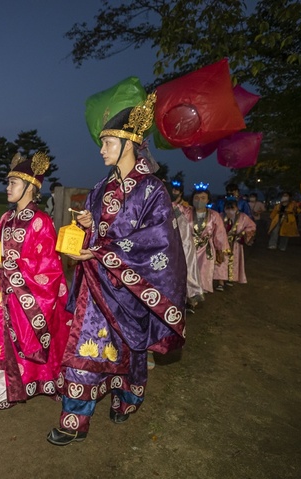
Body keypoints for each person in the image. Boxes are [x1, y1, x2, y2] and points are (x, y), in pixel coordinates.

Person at [46, 93, 186, 446]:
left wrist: (102, 250)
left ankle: (127, 398)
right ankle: (73, 418)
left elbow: (158, 242)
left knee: (129, 348)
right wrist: (88, 224)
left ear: (130, 144)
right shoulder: (100, 188)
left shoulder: (153, 190)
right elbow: (97, 232)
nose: (101, 150)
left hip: (131, 286)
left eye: (107, 142)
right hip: (95, 284)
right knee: (86, 346)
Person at [0, 152, 71, 413]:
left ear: (30, 187)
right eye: (8, 183)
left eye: (13, 184)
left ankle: (11, 385)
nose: (7, 188)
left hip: (22, 296)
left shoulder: (42, 222)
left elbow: (47, 268)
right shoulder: (5, 219)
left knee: (19, 340)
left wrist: (7, 264)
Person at [170, 179, 203, 311]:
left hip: (185, 244)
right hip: (170, 246)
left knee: (186, 271)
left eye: (176, 190)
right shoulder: (165, 206)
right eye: (172, 190)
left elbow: (185, 229)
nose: (174, 192)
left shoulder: (185, 209)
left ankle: (189, 299)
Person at [191, 184, 229, 293]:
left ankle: (200, 291)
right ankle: (189, 291)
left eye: (203, 198)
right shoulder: (186, 212)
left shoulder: (214, 215)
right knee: (189, 270)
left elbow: (220, 234)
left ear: (208, 200)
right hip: (188, 248)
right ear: (192, 199)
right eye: (196, 198)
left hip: (206, 248)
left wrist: (220, 250)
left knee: (204, 270)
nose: (199, 200)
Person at [214, 197, 256, 290]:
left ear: (237, 208)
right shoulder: (220, 216)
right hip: (222, 243)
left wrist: (242, 233)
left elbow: (252, 226)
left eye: (232, 208)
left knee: (234, 261)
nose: (229, 211)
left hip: (235, 244)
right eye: (227, 208)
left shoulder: (243, 217)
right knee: (221, 261)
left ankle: (230, 278)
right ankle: (220, 282)